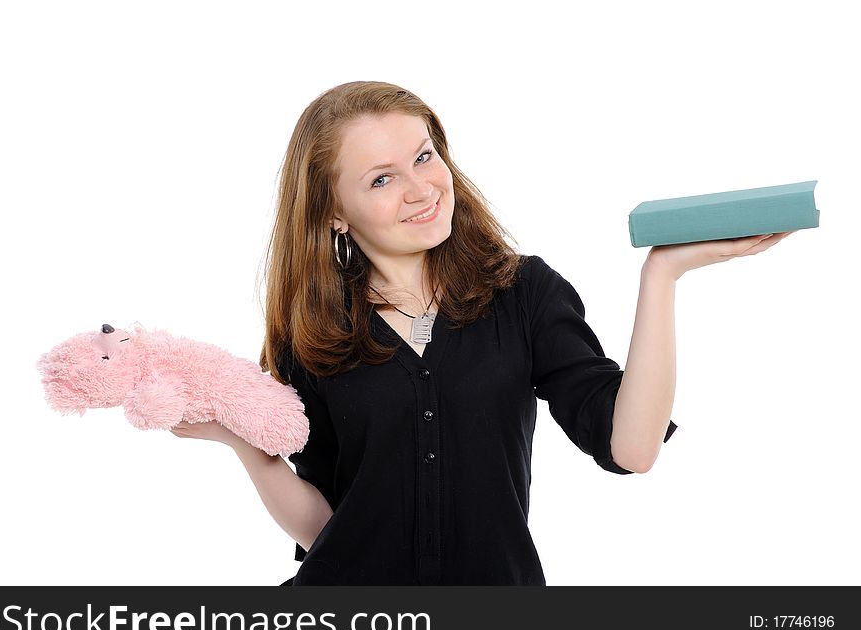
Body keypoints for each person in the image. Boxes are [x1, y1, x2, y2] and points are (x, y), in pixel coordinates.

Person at [171, 81, 794, 585]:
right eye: (381, 179)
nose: (422, 189)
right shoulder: (312, 335)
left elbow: (633, 449)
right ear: (334, 213)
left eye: (424, 156)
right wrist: (243, 442)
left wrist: (663, 275)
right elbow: (328, 530)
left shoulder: (525, 294)